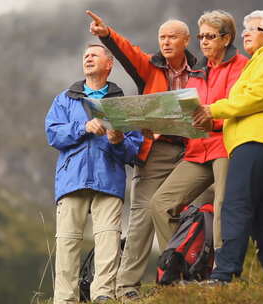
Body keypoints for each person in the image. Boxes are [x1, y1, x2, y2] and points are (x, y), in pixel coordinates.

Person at [87, 10, 199, 301]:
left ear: (186, 40)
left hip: (193, 149)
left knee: (178, 212)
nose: (166, 41)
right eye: (162, 37)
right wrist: (107, 35)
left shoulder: (201, 72)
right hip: (157, 150)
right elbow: (129, 53)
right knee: (141, 216)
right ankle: (127, 288)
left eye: (172, 36)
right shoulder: (151, 67)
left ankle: (178, 279)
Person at [193, 10, 263, 296]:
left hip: (257, 143)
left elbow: (258, 97)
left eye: (254, 28)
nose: (245, 33)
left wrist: (214, 109)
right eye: (245, 29)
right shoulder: (259, 62)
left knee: (235, 206)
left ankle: (224, 275)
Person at [45, 44, 142, 304]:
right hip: (72, 179)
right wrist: (83, 127)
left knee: (108, 240)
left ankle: (103, 296)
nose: (87, 57)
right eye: (85, 55)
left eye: (94, 54)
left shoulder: (123, 105)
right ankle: (65, 299)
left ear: (109, 64)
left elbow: (134, 151)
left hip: (108, 178)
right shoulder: (65, 98)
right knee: (67, 243)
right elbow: (53, 134)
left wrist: (118, 139)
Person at [150, 10, 248, 252]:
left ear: (226, 39)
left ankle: (222, 272)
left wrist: (211, 121)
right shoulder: (196, 71)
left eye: (210, 36)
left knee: (223, 206)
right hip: (196, 149)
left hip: (225, 145)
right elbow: (189, 113)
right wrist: (164, 124)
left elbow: (241, 107)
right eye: (201, 36)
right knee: (161, 203)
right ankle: (176, 266)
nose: (203, 41)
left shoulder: (241, 66)